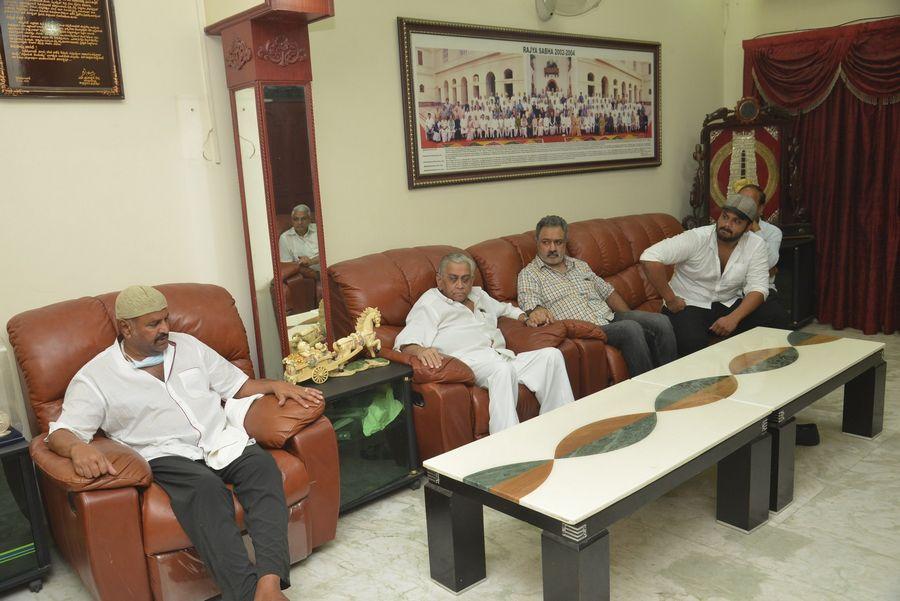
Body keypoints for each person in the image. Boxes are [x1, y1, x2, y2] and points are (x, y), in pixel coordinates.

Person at [46, 286, 324, 601]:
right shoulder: (97, 376)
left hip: (220, 439)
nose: (165, 328)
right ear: (126, 328)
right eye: (153, 324)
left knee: (263, 467)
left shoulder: (189, 346)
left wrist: (275, 385)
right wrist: (77, 448)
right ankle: (248, 595)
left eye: (166, 319)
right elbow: (62, 431)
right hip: (166, 455)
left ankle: (270, 584)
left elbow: (237, 385)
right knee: (205, 490)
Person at [394, 252, 574, 434]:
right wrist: (420, 351)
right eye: (453, 279)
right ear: (440, 280)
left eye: (465, 279)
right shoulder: (430, 303)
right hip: (468, 363)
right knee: (502, 370)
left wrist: (526, 318)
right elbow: (404, 342)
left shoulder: (479, 295)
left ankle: (562, 428)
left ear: (472, 280)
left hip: (501, 357)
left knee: (551, 356)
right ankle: (507, 441)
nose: (460, 285)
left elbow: (506, 309)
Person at [518, 215, 677, 377]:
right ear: (537, 242)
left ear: (565, 243)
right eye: (546, 242)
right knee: (630, 329)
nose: (552, 248)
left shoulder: (579, 265)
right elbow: (531, 304)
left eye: (558, 242)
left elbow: (607, 292)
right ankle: (647, 387)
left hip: (609, 317)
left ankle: (671, 379)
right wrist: (537, 311)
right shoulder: (530, 274)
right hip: (586, 331)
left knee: (661, 321)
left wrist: (629, 315)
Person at [640, 193, 791, 357]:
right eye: (725, 217)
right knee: (692, 343)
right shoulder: (697, 237)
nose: (727, 225)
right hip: (688, 304)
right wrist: (670, 299)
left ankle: (769, 367)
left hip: (727, 302)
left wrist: (734, 318)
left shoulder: (755, 244)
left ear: (748, 227)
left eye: (737, 222)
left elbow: (759, 288)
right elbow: (649, 258)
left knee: (775, 315)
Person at [736, 180, 782, 292]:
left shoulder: (773, 232)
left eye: (750, 203)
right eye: (740, 201)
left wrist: (756, 231)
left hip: (761, 289)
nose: (744, 207)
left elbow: (769, 262)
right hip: (731, 291)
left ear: (760, 208)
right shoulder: (727, 228)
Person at [278, 204, 319, 274]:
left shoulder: (319, 229)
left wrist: (311, 261)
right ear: (292, 220)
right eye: (296, 219)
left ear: (309, 219)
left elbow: (329, 253)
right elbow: (287, 266)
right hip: (304, 275)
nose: (300, 222)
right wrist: (301, 264)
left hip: (325, 270)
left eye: (303, 219)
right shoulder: (285, 238)